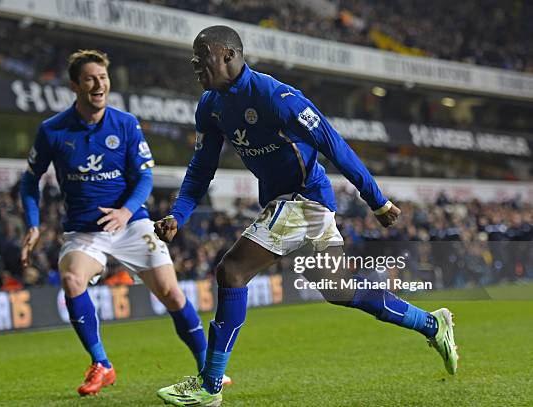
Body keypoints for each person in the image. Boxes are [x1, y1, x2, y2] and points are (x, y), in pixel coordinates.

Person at [154, 26, 458, 406]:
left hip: (304, 199)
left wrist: (376, 200)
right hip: (293, 204)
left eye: (204, 57)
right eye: (194, 58)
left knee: (231, 272)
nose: (196, 64)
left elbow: (333, 143)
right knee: (339, 291)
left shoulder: (277, 98)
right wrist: (179, 215)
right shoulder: (210, 105)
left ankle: (209, 385)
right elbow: (201, 168)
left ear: (230, 55)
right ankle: (431, 323)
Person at [19, 49, 230, 397]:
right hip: (86, 231)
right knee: (72, 279)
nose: (99, 84)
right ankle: (101, 363)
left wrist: (126, 212)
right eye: (90, 78)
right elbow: (30, 181)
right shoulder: (52, 131)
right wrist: (33, 223)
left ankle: (209, 366)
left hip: (132, 223)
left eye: (102, 77)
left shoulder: (126, 123)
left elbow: (144, 178)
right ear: (75, 85)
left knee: (172, 293)